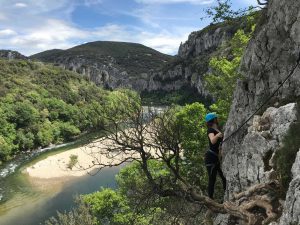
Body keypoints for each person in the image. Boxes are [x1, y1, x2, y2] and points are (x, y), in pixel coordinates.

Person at [204, 112, 226, 199]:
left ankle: (226, 196)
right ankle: (210, 199)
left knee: (224, 177)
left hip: (216, 158)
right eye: (216, 117)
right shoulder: (210, 130)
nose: (218, 118)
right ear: (213, 120)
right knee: (212, 179)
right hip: (211, 158)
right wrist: (217, 135)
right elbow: (212, 140)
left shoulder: (217, 129)